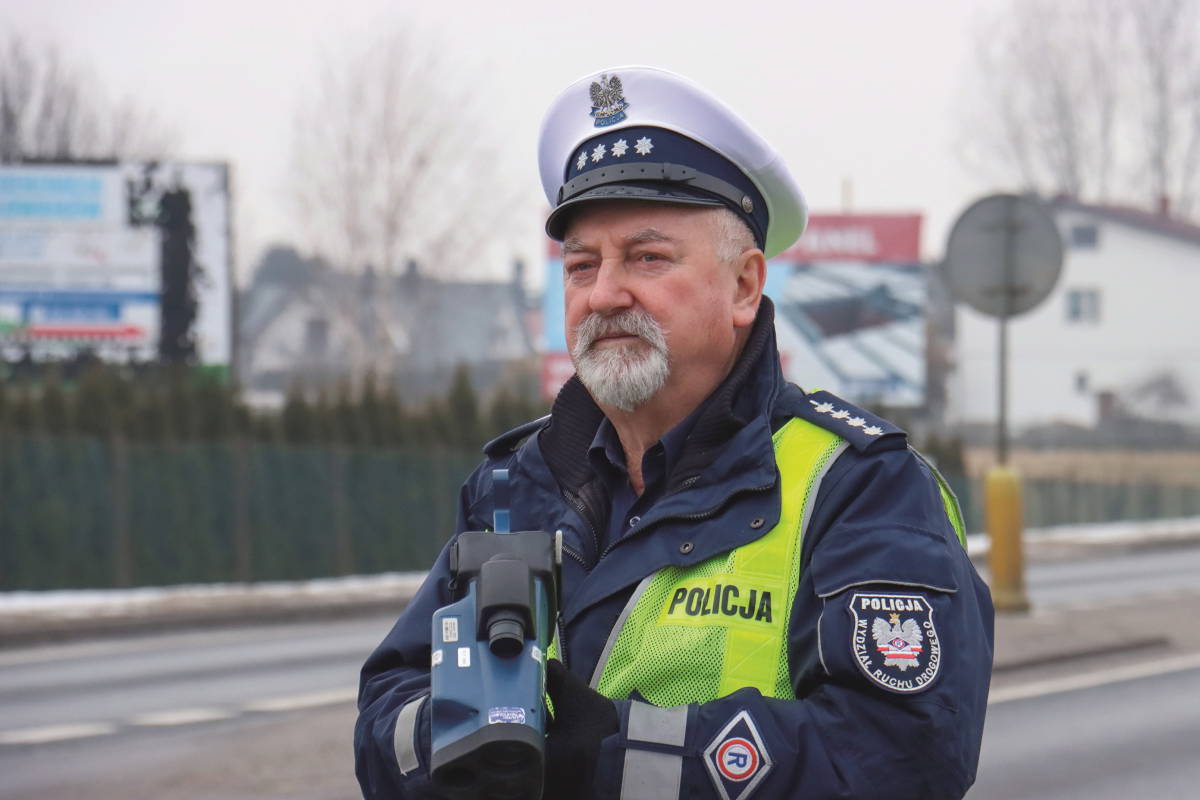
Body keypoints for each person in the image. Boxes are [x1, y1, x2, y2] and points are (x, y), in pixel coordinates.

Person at [355, 65, 993, 800]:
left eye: (647, 258)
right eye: (581, 265)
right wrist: (458, 746)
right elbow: (387, 708)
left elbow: (901, 755)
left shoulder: (859, 486)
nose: (604, 293)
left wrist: (615, 758)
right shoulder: (515, 484)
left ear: (745, 286)